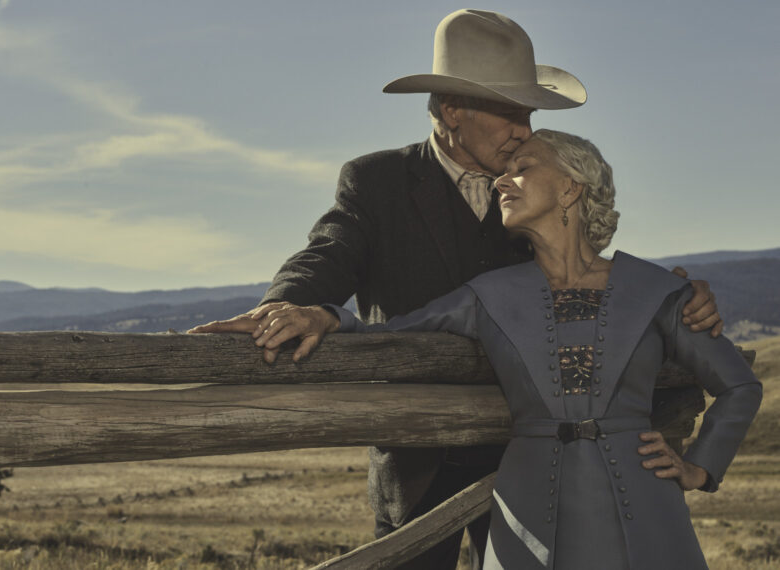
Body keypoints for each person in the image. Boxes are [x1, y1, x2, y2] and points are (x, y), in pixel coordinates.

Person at [190, 9, 722, 568]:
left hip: (533, 458)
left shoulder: (533, 186)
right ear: (452, 110)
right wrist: (289, 303)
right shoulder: (377, 182)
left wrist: (671, 298)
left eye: (529, 114)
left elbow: (583, 268)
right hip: (417, 457)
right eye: (510, 112)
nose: (525, 129)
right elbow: (331, 251)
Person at [239, 129, 762, 569]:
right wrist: (324, 314)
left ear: (571, 190)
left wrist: (700, 467)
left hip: (645, 500)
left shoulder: (657, 290)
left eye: (523, 168)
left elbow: (739, 385)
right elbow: (393, 334)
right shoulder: (487, 296)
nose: (501, 181)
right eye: (503, 170)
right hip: (528, 502)